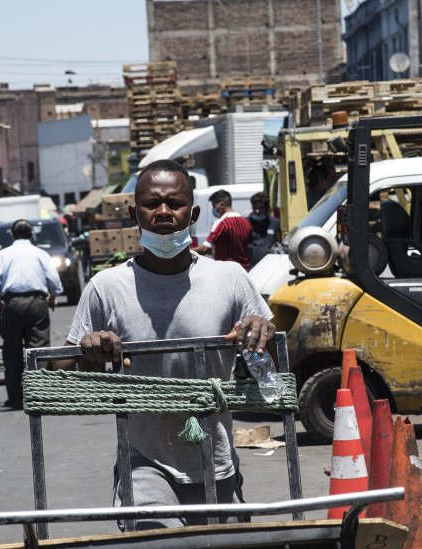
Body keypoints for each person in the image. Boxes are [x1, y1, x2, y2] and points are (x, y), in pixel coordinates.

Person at [63, 159, 275, 530]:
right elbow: (59, 373)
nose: (163, 212)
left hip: (217, 461)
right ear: (134, 213)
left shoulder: (229, 278)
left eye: (174, 203)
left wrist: (262, 332)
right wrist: (87, 350)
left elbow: (274, 368)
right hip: (145, 462)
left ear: (192, 213)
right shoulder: (106, 287)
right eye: (151, 203)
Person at [0, 219, 63, 410]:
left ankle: (16, 399)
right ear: (31, 235)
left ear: (12, 235)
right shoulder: (40, 254)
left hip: (12, 304)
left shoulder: (3, 255)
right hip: (37, 303)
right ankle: (39, 396)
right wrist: (52, 296)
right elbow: (54, 281)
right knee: (39, 349)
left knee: (11, 351)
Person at [191, 188, 253, 270]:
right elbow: (248, 249)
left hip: (227, 271)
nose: (214, 209)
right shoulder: (246, 223)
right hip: (245, 270)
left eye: (214, 206)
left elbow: (204, 249)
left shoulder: (222, 224)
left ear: (221, 205)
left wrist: (186, 252)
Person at [246, 191, 281, 267]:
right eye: (254, 208)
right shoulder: (246, 223)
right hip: (251, 267)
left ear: (267, 208)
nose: (257, 211)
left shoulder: (275, 223)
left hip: (270, 266)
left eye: (260, 208)